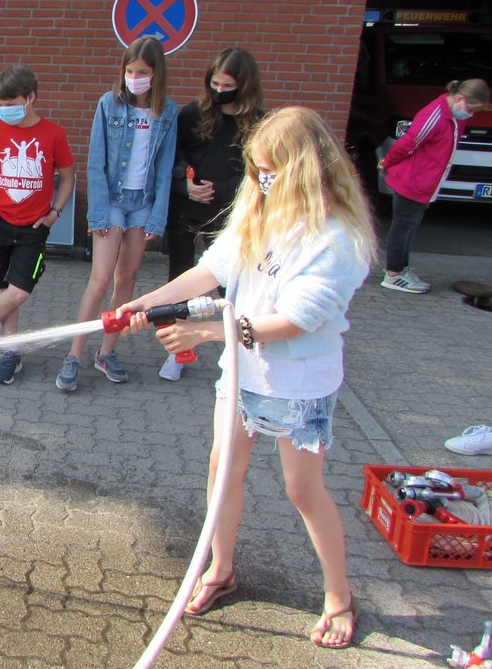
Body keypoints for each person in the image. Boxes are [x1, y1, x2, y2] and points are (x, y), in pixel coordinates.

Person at [118, 106, 376, 650]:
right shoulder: (260, 212)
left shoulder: (338, 239)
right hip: (243, 373)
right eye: (256, 170)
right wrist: (147, 302)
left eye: (270, 171)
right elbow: (212, 270)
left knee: (302, 490)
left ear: (303, 169)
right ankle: (221, 568)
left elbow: (296, 320)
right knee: (222, 471)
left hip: (300, 383)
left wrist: (206, 333)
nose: (260, 181)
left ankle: (339, 596)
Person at [55, 35, 178, 391]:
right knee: (100, 278)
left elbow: (165, 167)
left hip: (143, 202)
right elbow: (96, 162)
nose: (134, 78)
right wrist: (97, 214)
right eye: (130, 70)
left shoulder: (167, 111)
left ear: (156, 74)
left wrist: (157, 217)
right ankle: (74, 355)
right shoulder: (108, 104)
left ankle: (106, 352)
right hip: (111, 200)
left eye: (142, 72)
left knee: (127, 279)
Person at [160, 47, 265, 381]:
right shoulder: (192, 114)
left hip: (229, 212)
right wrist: (184, 183)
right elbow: (173, 156)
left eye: (227, 86)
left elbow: (256, 174)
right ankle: (177, 352)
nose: (219, 91)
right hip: (186, 207)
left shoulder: (258, 123)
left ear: (244, 85)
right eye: (215, 84)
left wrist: (220, 190)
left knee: (231, 284)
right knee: (180, 279)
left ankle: (239, 353)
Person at [0, 64, 75, 384]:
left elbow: (68, 177)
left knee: (20, 290)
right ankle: (11, 351)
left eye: (11, 104)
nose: (4, 110)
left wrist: (55, 213)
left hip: (33, 227)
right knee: (6, 288)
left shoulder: (54, 134)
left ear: (30, 97)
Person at [378, 78, 488, 293]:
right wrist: (387, 162)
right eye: (470, 108)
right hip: (412, 180)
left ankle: (401, 269)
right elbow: (409, 142)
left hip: (425, 183)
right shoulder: (436, 115)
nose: (470, 114)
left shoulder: (454, 118)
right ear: (459, 98)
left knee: (409, 227)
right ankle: (394, 274)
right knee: (403, 226)